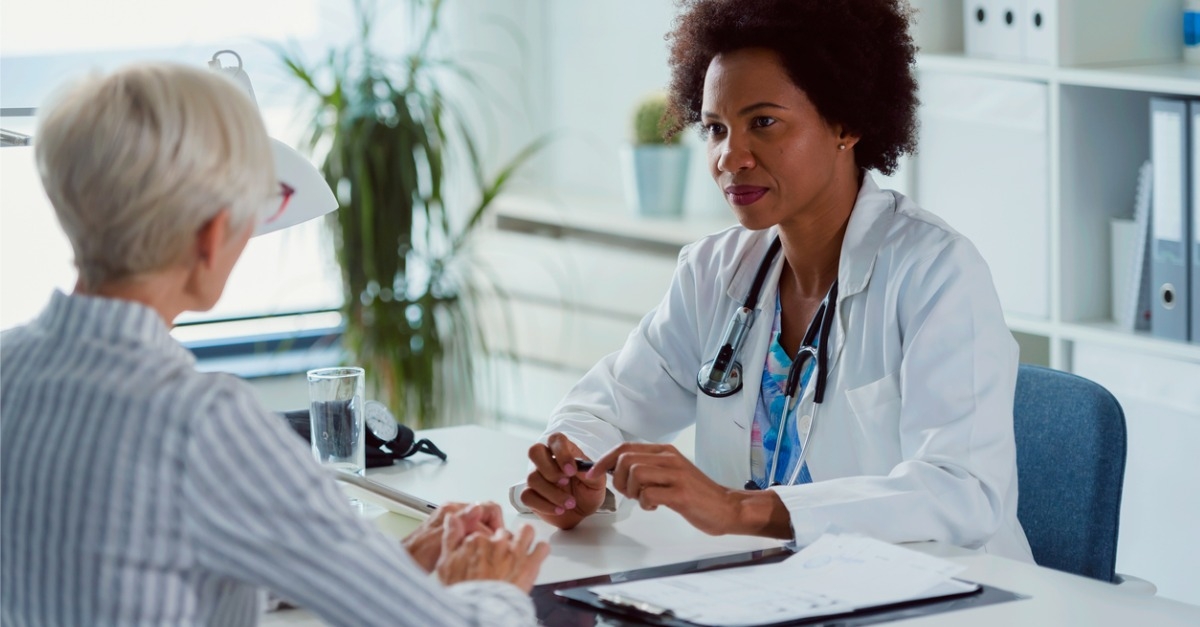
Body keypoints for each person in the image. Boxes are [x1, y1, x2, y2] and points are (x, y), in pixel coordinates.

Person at [0, 62, 547, 625]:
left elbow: (138, 573)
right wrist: (493, 588)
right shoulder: (200, 421)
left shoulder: (8, 365)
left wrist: (390, 569)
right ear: (212, 236)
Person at [517, 0, 1033, 562]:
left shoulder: (936, 272)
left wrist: (737, 509)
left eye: (762, 122)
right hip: (767, 590)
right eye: (716, 129)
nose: (729, 157)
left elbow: (962, 493)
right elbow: (605, 405)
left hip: (944, 595)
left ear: (847, 123)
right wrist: (576, 467)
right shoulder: (716, 272)